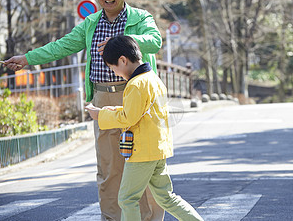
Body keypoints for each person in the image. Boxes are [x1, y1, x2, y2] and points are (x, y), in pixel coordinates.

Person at [4, 0, 164, 221]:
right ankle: (112, 218)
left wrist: (121, 38)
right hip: (102, 98)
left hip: (135, 96)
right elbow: (62, 46)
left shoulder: (141, 18)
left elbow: (155, 41)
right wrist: (27, 58)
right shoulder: (90, 23)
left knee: (140, 164)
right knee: (109, 169)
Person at [85, 35, 204, 221]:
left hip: (141, 151)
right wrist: (111, 110)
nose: (115, 73)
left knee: (127, 199)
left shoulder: (135, 84)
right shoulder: (153, 79)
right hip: (158, 148)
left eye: (113, 67)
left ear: (123, 60)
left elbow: (129, 118)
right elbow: (140, 112)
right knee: (166, 197)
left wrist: (100, 115)